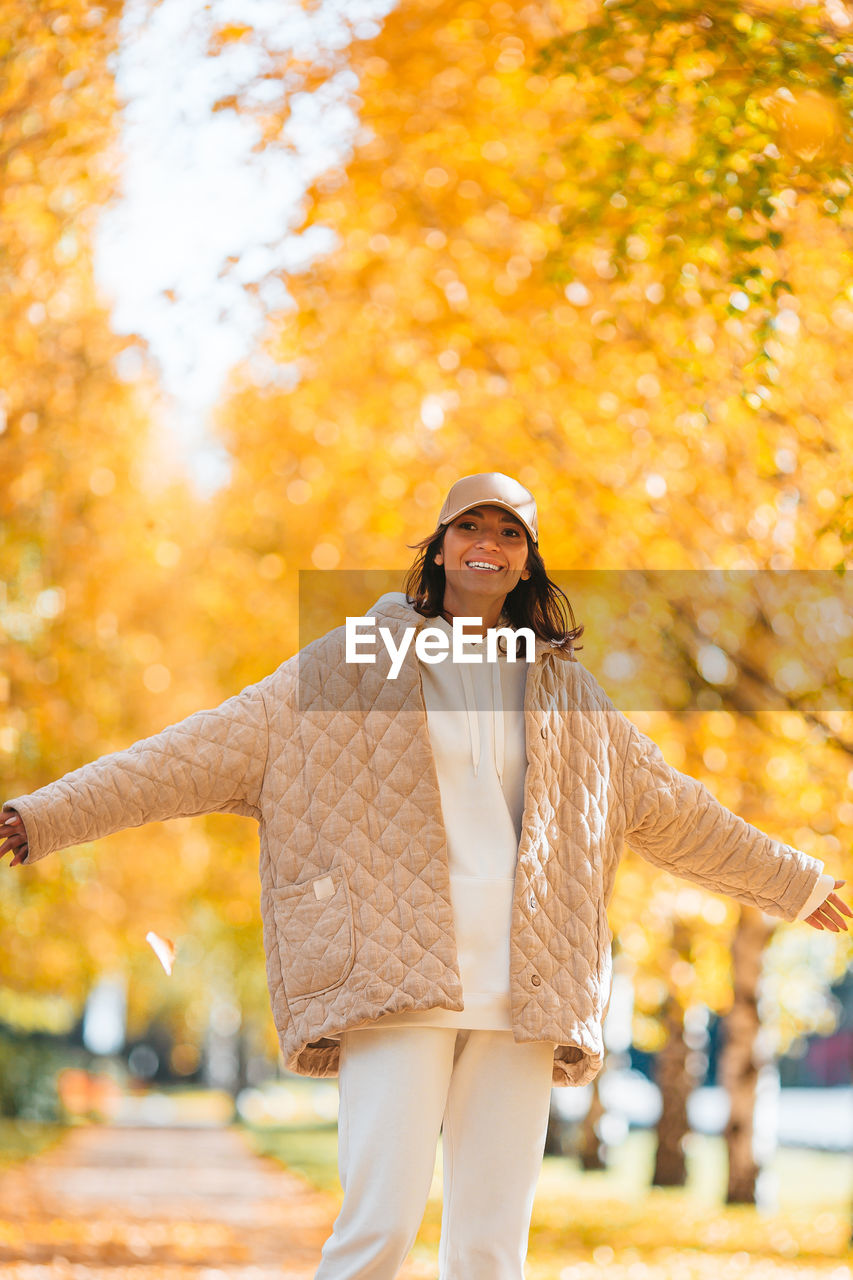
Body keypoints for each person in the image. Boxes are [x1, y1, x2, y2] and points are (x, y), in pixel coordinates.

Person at [2, 471, 849, 1280]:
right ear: (439, 549)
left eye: (508, 532)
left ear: (527, 559)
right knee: (380, 1222)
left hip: (525, 989)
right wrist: (43, 816)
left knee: (489, 1248)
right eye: (469, 526)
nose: (488, 543)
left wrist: (797, 885)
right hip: (395, 974)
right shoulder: (348, 661)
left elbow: (678, 811)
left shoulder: (565, 689)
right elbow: (194, 752)